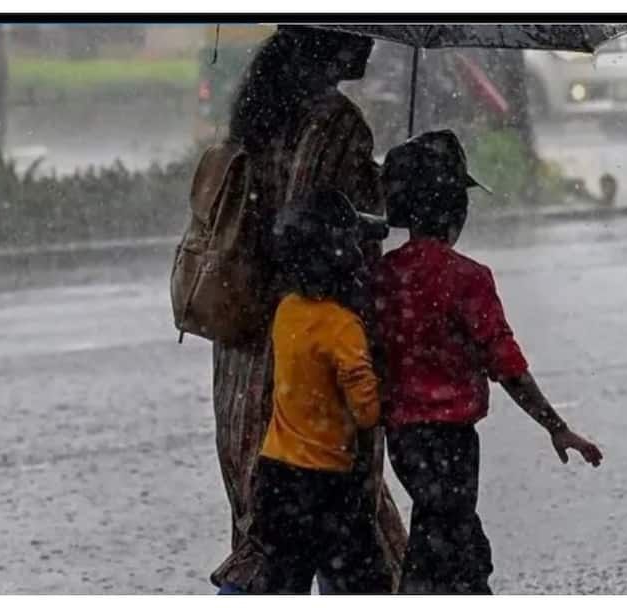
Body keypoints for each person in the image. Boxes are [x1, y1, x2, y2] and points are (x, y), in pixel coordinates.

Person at [210, 26, 406, 594]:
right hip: (315, 337)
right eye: (359, 29)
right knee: (346, 506)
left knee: (265, 510)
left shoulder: (257, 112)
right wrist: (383, 194)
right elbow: (335, 230)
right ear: (328, 40)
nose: (373, 40)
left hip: (246, 343)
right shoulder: (337, 123)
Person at [373, 130, 605, 594]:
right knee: (454, 542)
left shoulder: (382, 276)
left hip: (400, 438)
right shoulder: (468, 280)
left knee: (438, 531)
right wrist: (554, 424)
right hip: (453, 442)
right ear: (457, 211)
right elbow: (506, 364)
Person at [244, 190, 392, 594]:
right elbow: (367, 413)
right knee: (363, 584)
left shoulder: (287, 311)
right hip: (326, 486)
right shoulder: (343, 327)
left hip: (275, 477)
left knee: (283, 582)